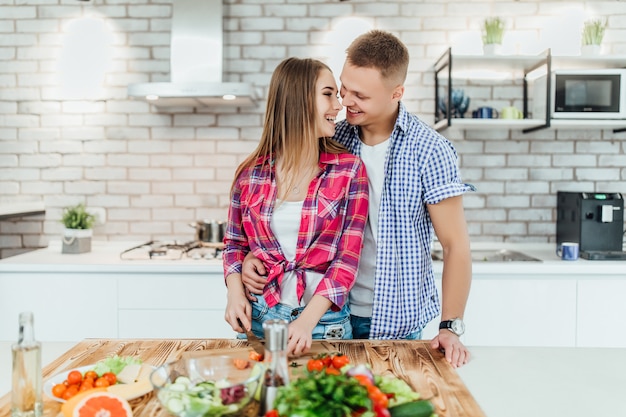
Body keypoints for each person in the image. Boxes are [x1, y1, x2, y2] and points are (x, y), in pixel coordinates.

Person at [241, 31, 473, 368]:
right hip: (328, 315)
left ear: (397, 93)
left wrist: (451, 326)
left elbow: (456, 246)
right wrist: (252, 255)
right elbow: (286, 209)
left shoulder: (430, 151)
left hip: (397, 321)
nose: (345, 102)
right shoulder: (331, 135)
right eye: (343, 89)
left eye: (360, 95)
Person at [222, 57, 369, 356]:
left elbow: (346, 260)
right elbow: (234, 245)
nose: (338, 106)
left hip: (325, 324)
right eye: (328, 94)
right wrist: (235, 293)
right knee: (261, 400)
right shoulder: (250, 174)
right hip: (260, 318)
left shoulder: (349, 170)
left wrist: (305, 321)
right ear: (298, 100)